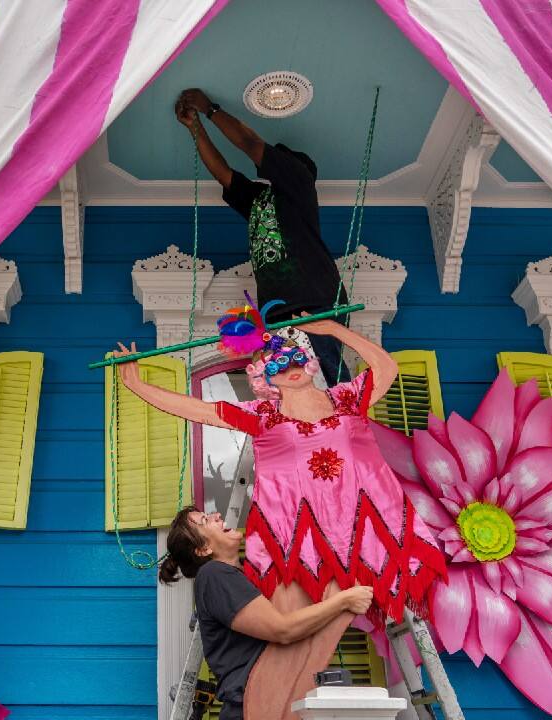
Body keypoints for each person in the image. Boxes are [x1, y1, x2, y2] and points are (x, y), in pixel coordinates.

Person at [112, 317, 445, 720]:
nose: (289, 366)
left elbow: (386, 369)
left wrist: (335, 331)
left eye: (297, 358)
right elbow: (195, 409)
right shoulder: (262, 417)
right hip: (300, 543)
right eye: (276, 364)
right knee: (292, 648)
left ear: (309, 363)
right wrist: (135, 385)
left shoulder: (348, 400)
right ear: (265, 379)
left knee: (316, 647)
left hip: (364, 533)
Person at [175, 87, 350, 385]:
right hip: (278, 312)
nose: (269, 163)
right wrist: (195, 128)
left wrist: (210, 109)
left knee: (329, 383)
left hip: (316, 302)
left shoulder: (299, 181)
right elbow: (223, 173)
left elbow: (249, 142)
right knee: (289, 387)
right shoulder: (259, 199)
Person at [158, 506, 375, 720]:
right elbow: (283, 629)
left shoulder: (245, 573)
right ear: (203, 549)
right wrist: (344, 601)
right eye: (205, 520)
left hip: (273, 703)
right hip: (252, 707)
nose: (217, 515)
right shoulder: (214, 575)